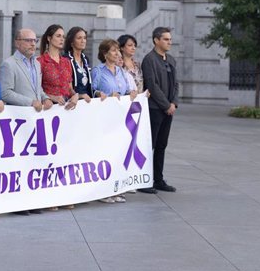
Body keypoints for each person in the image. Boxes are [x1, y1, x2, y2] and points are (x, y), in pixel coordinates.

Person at [0, 28, 53, 216]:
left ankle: (33, 199)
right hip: (19, 121)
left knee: (34, 162)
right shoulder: (9, 64)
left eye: (34, 40)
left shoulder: (36, 64)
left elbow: (37, 90)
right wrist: (30, 102)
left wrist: (46, 98)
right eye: (28, 40)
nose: (33, 44)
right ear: (17, 42)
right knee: (19, 163)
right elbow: (5, 93)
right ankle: (18, 203)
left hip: (35, 120)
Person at [91, 39, 137, 204]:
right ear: (105, 54)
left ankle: (114, 188)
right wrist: (102, 94)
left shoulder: (121, 71)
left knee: (117, 153)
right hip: (103, 118)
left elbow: (126, 89)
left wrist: (131, 92)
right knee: (104, 153)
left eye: (118, 50)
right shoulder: (98, 70)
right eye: (113, 51)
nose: (117, 53)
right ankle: (103, 191)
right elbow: (93, 90)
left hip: (120, 118)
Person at [140, 27, 178, 194]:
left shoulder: (171, 59)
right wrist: (166, 105)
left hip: (168, 109)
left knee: (162, 145)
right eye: (166, 39)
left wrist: (174, 103)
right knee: (151, 145)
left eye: (170, 39)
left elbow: (176, 83)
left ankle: (158, 179)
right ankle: (145, 180)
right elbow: (152, 85)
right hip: (155, 108)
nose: (169, 42)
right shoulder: (149, 59)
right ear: (156, 40)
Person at [37, 24, 79, 110]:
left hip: (67, 108)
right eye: (58, 36)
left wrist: (75, 95)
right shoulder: (40, 61)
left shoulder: (66, 62)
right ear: (49, 38)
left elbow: (70, 88)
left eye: (63, 36)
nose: (62, 39)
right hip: (49, 108)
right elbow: (36, 89)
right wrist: (52, 97)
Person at [65, 26, 105, 102]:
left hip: (86, 102)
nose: (83, 41)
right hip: (73, 103)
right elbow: (66, 88)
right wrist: (80, 96)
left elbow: (88, 86)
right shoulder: (66, 59)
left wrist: (97, 93)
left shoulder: (85, 58)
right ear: (71, 42)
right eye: (79, 38)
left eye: (84, 38)